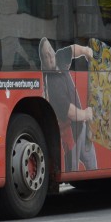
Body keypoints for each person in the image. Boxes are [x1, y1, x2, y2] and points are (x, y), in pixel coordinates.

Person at [39, 38, 98, 172]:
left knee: (93, 166)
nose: (50, 55)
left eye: (50, 50)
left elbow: (72, 50)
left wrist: (85, 51)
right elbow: (69, 111)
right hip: (71, 135)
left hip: (81, 128)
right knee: (72, 171)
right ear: (43, 63)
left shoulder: (59, 57)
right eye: (45, 56)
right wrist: (86, 114)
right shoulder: (51, 82)